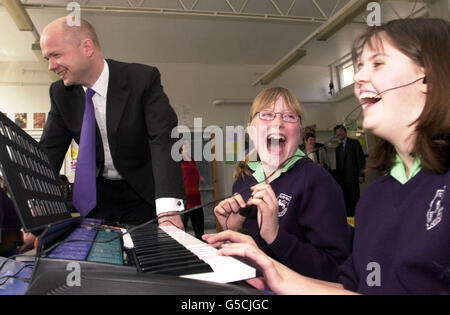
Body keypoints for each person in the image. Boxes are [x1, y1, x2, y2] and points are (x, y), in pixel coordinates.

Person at [205, 18, 450, 295]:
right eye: (358, 67)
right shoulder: (375, 198)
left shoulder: (317, 181)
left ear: (429, 77)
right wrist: (269, 266)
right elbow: (354, 289)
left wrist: (276, 243)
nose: (357, 78)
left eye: (378, 63)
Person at [39, 17, 185, 227]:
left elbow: (163, 140)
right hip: (96, 197)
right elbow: (48, 153)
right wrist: (33, 209)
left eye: (56, 55)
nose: (51, 66)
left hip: (144, 193)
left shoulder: (142, 79)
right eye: (47, 59)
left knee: (147, 256)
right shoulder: (60, 94)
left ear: (87, 47)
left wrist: (168, 211)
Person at [207, 87, 350, 282]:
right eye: (266, 115)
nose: (277, 122)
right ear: (250, 129)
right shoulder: (243, 179)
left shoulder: (317, 181)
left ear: (299, 132)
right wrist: (232, 230)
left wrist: (276, 237)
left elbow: (336, 270)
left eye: (289, 116)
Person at [333, 124, 366, 217]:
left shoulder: (354, 143)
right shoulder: (338, 148)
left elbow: (361, 159)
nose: (338, 134)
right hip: (342, 180)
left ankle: (358, 218)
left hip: (353, 177)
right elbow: (338, 165)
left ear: (345, 132)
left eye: (340, 132)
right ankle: (349, 221)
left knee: (354, 199)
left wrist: (361, 175)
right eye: (337, 133)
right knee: (346, 200)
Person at [180, 141, 205, 239]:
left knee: (200, 231)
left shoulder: (192, 160)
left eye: (189, 146)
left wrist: (199, 178)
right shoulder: (177, 161)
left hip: (196, 201)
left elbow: (190, 175)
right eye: (186, 146)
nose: (188, 148)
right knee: (181, 232)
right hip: (184, 203)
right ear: (181, 148)